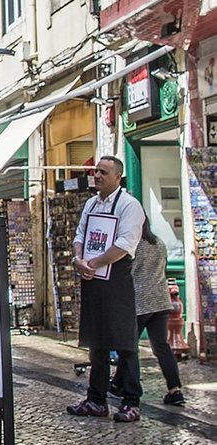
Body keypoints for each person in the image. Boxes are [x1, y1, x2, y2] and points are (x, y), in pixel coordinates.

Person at [68, 156, 145, 423]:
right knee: (96, 341)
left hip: (117, 280)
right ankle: (96, 399)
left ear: (117, 177)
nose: (97, 175)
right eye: (95, 171)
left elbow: (124, 244)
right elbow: (80, 236)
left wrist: (95, 263)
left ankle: (131, 401)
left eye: (103, 172)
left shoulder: (129, 206)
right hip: (92, 278)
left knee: (125, 342)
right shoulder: (91, 204)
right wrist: (79, 260)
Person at [114, 220, 185, 408]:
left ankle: (125, 388)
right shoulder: (159, 243)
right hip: (160, 301)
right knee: (162, 346)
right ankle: (175, 390)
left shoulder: (131, 245)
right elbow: (164, 268)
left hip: (139, 302)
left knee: (128, 347)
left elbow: (123, 272)